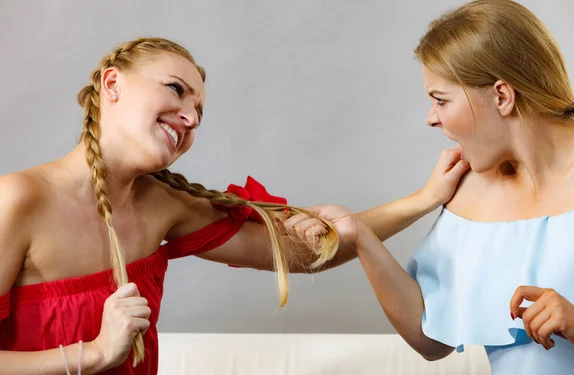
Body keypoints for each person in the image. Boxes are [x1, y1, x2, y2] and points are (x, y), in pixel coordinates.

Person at [0, 37, 470, 374]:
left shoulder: (165, 205)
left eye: (199, 115)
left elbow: (306, 253)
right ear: (112, 84)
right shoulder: (18, 199)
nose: (189, 118)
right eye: (176, 90)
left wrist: (424, 199)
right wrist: (97, 354)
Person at [289, 0, 574, 373]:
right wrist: (361, 237)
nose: (431, 118)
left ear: (502, 96)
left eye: (441, 100)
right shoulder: (471, 189)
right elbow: (430, 338)